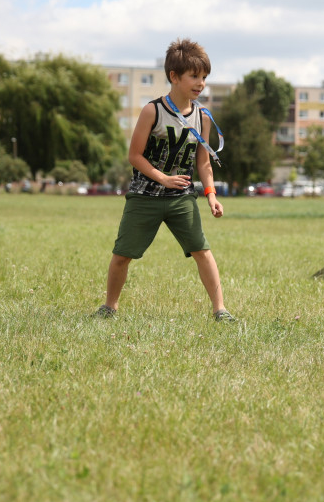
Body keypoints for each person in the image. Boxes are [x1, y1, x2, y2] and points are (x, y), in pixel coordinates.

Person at [94, 38, 234, 322]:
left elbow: (203, 161)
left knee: (202, 252)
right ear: (174, 76)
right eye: (194, 76)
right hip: (144, 197)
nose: (201, 83)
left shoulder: (203, 117)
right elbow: (134, 156)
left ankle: (220, 310)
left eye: (204, 77)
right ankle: (109, 307)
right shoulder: (152, 111)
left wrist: (211, 194)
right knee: (122, 255)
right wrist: (163, 178)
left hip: (182, 198)